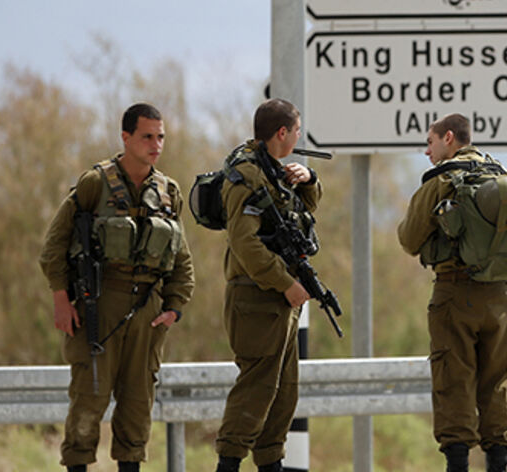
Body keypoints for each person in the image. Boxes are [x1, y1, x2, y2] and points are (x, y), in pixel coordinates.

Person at [39, 102, 195, 472]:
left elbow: (182, 260)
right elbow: (53, 246)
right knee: (89, 399)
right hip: (100, 302)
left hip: (147, 312)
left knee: (138, 405)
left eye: (160, 137)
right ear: (125, 137)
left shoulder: (168, 190)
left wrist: (173, 308)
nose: (155, 144)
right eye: (146, 136)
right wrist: (62, 300)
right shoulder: (96, 184)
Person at [398, 113, 507, 472]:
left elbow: (409, 239)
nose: (427, 151)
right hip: (501, 297)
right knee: (495, 385)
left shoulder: (441, 180)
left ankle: (458, 466)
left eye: (430, 142)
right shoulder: (500, 175)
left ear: (449, 138)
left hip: (455, 294)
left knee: (453, 382)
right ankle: (498, 464)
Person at [214, 98, 323, 472]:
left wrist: (309, 181)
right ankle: (227, 464)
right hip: (257, 297)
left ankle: (270, 465)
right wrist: (284, 282)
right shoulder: (246, 174)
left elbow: (296, 219)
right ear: (282, 133)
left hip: (280, 299)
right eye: (295, 130)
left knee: (282, 395)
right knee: (255, 393)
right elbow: (245, 243)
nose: (297, 136)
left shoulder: (272, 172)